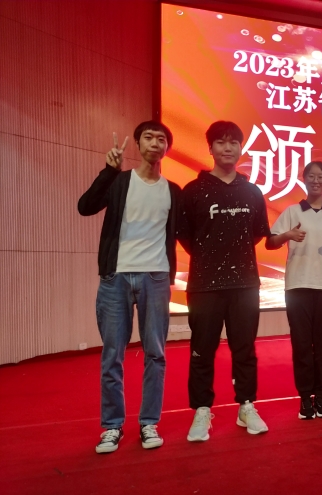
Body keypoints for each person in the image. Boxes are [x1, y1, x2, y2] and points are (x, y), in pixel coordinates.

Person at [78, 121, 180, 454]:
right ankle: (112, 426)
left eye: (161, 139)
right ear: (137, 144)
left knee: (156, 354)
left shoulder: (173, 190)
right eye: (148, 137)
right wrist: (108, 171)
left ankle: (149, 422)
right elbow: (85, 206)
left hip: (156, 277)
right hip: (116, 277)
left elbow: (183, 233)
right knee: (112, 355)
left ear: (167, 148)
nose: (155, 143)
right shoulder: (121, 181)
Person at [179, 121, 271, 441]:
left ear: (241, 148)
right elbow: (185, 236)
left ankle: (246, 406)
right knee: (202, 350)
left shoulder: (252, 191)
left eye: (233, 142)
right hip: (204, 284)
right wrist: (210, 258)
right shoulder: (193, 191)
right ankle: (202, 410)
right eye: (221, 142)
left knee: (244, 349)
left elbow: (257, 233)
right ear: (210, 148)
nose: (227, 148)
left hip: (245, 283)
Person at [266, 161, 322, 420]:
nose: (315, 180)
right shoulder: (292, 211)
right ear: (303, 180)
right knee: (301, 344)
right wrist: (287, 235)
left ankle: (321, 396)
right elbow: (270, 242)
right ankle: (304, 398)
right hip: (297, 286)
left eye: (320, 176)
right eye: (311, 176)